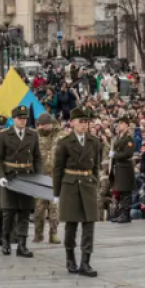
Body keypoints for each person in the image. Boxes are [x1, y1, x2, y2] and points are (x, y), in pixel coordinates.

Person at [53, 107, 101, 277]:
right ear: (72, 123)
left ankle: (85, 262)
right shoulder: (64, 142)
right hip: (70, 185)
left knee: (89, 226)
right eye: (80, 121)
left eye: (86, 122)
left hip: (87, 184)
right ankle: (70, 259)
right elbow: (58, 168)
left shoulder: (94, 142)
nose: (84, 125)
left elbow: (96, 166)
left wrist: (95, 182)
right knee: (71, 226)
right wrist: (57, 193)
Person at [0, 105, 43, 258]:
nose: (23, 121)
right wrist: (0, 176)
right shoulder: (4, 136)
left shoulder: (32, 135)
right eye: (20, 118)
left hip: (27, 176)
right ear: (14, 119)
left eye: (24, 119)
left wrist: (38, 176)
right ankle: (6, 242)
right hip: (10, 177)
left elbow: (37, 158)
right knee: (9, 212)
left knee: (24, 212)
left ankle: (22, 245)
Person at [35, 114, 63, 242]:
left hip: (55, 177)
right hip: (40, 177)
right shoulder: (35, 137)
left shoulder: (60, 137)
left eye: (47, 124)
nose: (44, 126)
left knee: (54, 208)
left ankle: (53, 233)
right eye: (42, 124)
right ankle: (38, 234)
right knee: (40, 209)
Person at [110, 115, 136, 223]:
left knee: (125, 192)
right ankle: (122, 214)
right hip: (119, 168)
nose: (119, 125)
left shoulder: (128, 138)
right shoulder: (119, 137)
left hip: (125, 168)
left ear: (126, 125)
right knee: (121, 192)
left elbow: (128, 153)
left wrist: (115, 155)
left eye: (121, 124)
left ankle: (126, 215)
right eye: (119, 123)